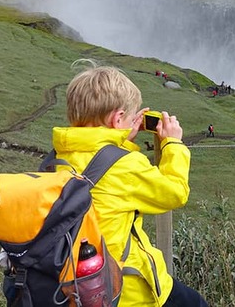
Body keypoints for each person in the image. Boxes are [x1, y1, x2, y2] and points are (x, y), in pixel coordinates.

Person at [53, 61, 208, 307]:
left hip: (75, 284)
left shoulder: (58, 157)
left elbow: (99, 167)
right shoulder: (125, 165)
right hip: (125, 289)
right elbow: (175, 193)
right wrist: (173, 145)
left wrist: (120, 141)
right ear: (118, 118)